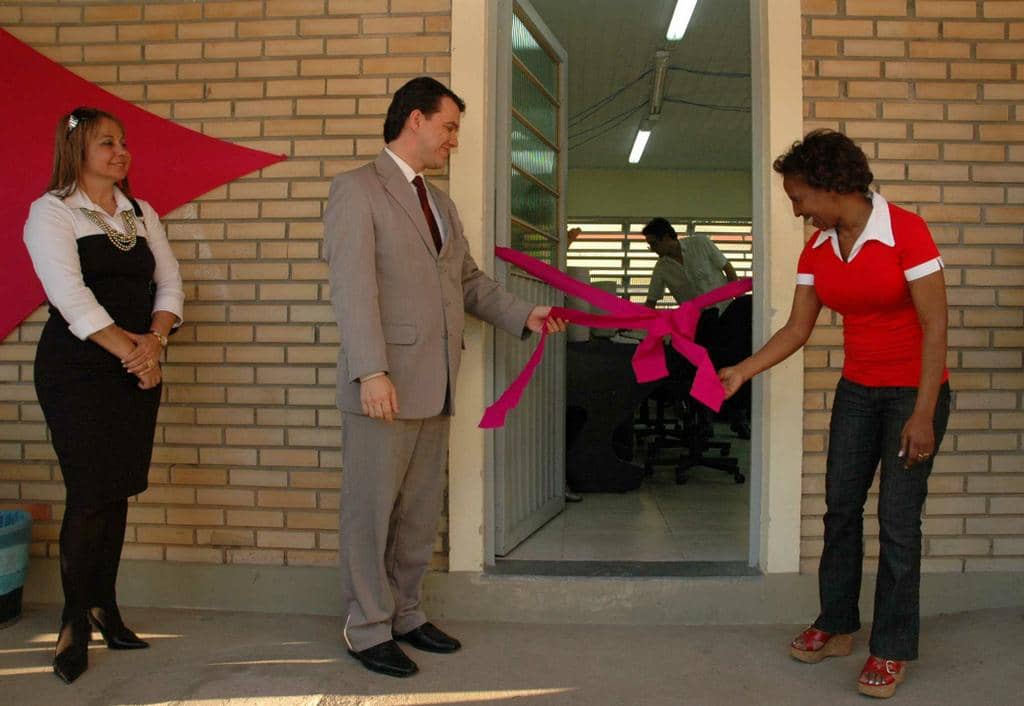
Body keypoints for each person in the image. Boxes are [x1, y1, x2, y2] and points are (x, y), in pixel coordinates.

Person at [323, 76, 565, 678]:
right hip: (384, 385)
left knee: (417, 510)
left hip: (436, 383)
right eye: (450, 126)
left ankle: (405, 612)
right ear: (414, 120)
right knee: (371, 510)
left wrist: (524, 313)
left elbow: (469, 283)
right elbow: (354, 291)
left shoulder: (440, 203)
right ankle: (367, 626)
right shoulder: (356, 191)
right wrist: (371, 372)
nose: (454, 139)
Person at [718, 129, 949, 699]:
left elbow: (936, 325)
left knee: (898, 523)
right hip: (857, 392)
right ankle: (838, 623)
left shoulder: (905, 231)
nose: (795, 209)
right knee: (840, 510)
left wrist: (923, 413)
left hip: (912, 395)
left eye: (798, 197)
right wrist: (744, 370)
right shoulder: (817, 249)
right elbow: (798, 329)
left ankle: (891, 648)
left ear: (829, 186)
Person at [23, 107, 184, 684]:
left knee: (117, 491)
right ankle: (71, 622)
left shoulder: (142, 213)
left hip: (137, 366)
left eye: (123, 143)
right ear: (77, 152)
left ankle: (104, 608)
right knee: (90, 491)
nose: (121, 152)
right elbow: (71, 298)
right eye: (105, 144)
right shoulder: (52, 213)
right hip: (78, 371)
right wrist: (136, 352)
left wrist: (156, 344)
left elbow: (169, 283)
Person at [642, 218, 749, 439]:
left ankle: (738, 417)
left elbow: (728, 271)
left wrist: (737, 301)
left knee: (734, 364)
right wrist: (641, 323)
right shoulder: (662, 268)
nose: (652, 249)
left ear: (666, 237)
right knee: (704, 369)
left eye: (653, 243)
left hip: (727, 313)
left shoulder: (700, 243)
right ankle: (705, 421)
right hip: (700, 324)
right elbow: (651, 302)